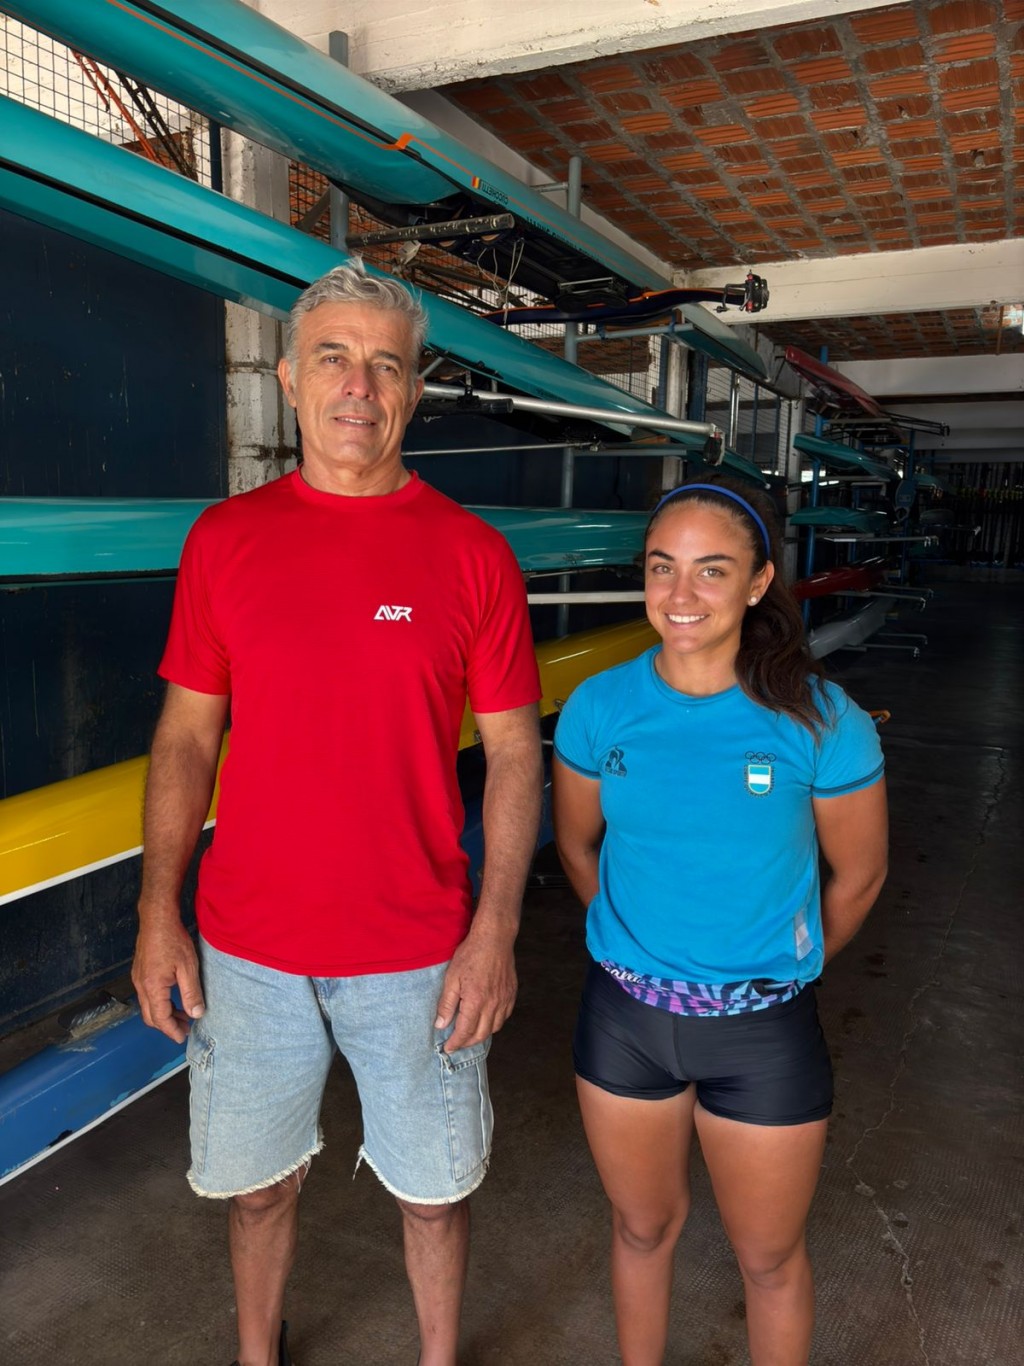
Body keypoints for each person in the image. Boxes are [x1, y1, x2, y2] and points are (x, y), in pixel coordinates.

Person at [132, 260, 543, 1366]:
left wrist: (495, 929)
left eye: (384, 364)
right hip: (249, 948)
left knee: (434, 1195)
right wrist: (156, 914)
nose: (357, 385)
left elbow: (512, 755)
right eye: (333, 357)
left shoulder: (471, 555)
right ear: (287, 378)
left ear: (411, 391)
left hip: (418, 948)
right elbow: (184, 736)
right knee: (258, 1191)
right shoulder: (225, 542)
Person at [552, 478, 888, 1366]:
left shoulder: (817, 718)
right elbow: (578, 848)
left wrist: (783, 960)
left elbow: (858, 877)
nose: (680, 595)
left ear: (756, 582)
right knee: (639, 1229)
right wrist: (638, 947)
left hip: (763, 1032)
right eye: (663, 568)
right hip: (625, 1022)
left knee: (770, 1259)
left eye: (711, 570)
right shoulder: (599, 709)